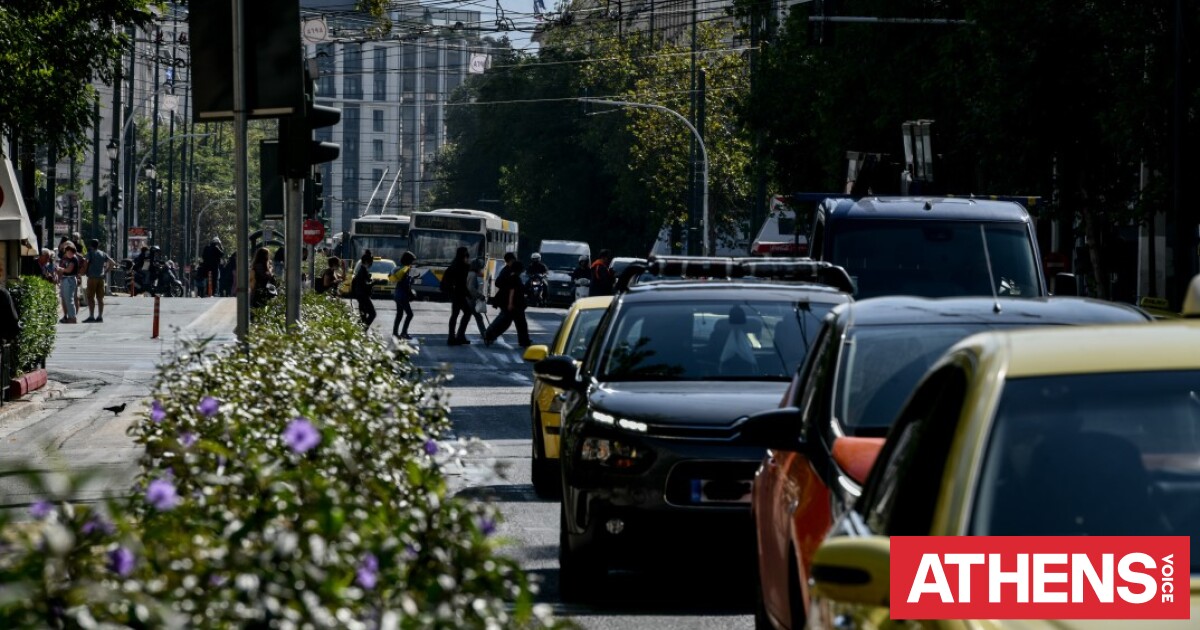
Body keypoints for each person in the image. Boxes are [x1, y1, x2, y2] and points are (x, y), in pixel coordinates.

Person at [485, 259, 531, 347]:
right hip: (515, 305)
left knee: (506, 322)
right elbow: (512, 291)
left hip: (513, 305)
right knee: (520, 324)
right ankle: (524, 341)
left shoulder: (511, 276)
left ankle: (489, 336)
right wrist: (510, 304)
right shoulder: (515, 278)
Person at [442, 246, 472, 345]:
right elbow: (462, 283)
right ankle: (458, 336)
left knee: (455, 315)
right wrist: (469, 294)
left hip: (454, 293)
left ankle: (453, 336)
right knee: (466, 313)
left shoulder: (454, 264)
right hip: (459, 294)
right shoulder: (462, 266)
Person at [82, 239, 114, 323]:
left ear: (91, 246)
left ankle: (91, 316)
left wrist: (84, 271)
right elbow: (112, 263)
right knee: (100, 298)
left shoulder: (90, 253)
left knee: (90, 298)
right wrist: (106, 272)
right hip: (101, 278)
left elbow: (85, 262)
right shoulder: (103, 253)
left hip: (92, 278)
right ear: (98, 245)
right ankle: (100, 316)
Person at [390, 251, 417, 339]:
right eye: (412, 261)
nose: (413, 263)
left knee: (399, 314)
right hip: (402, 295)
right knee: (410, 314)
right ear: (409, 261)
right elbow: (406, 284)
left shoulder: (400, 268)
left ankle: (395, 333)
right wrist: (411, 294)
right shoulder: (406, 269)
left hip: (397, 294)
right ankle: (404, 333)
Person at [56, 243, 82, 323]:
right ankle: (69, 317)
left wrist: (60, 269)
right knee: (65, 299)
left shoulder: (73, 259)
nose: (69, 253)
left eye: (71, 252)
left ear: (73, 252)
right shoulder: (67, 258)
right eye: (67, 252)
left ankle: (72, 317)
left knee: (69, 299)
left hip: (70, 279)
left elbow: (69, 270)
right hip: (65, 279)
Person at [465, 258, 489, 339]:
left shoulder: (469, 273)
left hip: (467, 299)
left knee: (467, 318)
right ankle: (485, 334)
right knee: (478, 317)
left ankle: (460, 335)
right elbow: (471, 288)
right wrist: (479, 296)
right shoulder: (473, 275)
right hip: (470, 300)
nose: (481, 269)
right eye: (480, 267)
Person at [352, 251, 376, 328]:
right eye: (371, 262)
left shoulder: (363, 270)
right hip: (363, 296)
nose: (371, 264)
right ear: (366, 262)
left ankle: (360, 330)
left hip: (360, 295)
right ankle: (362, 330)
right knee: (372, 314)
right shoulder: (362, 271)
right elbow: (365, 285)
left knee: (363, 316)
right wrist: (374, 282)